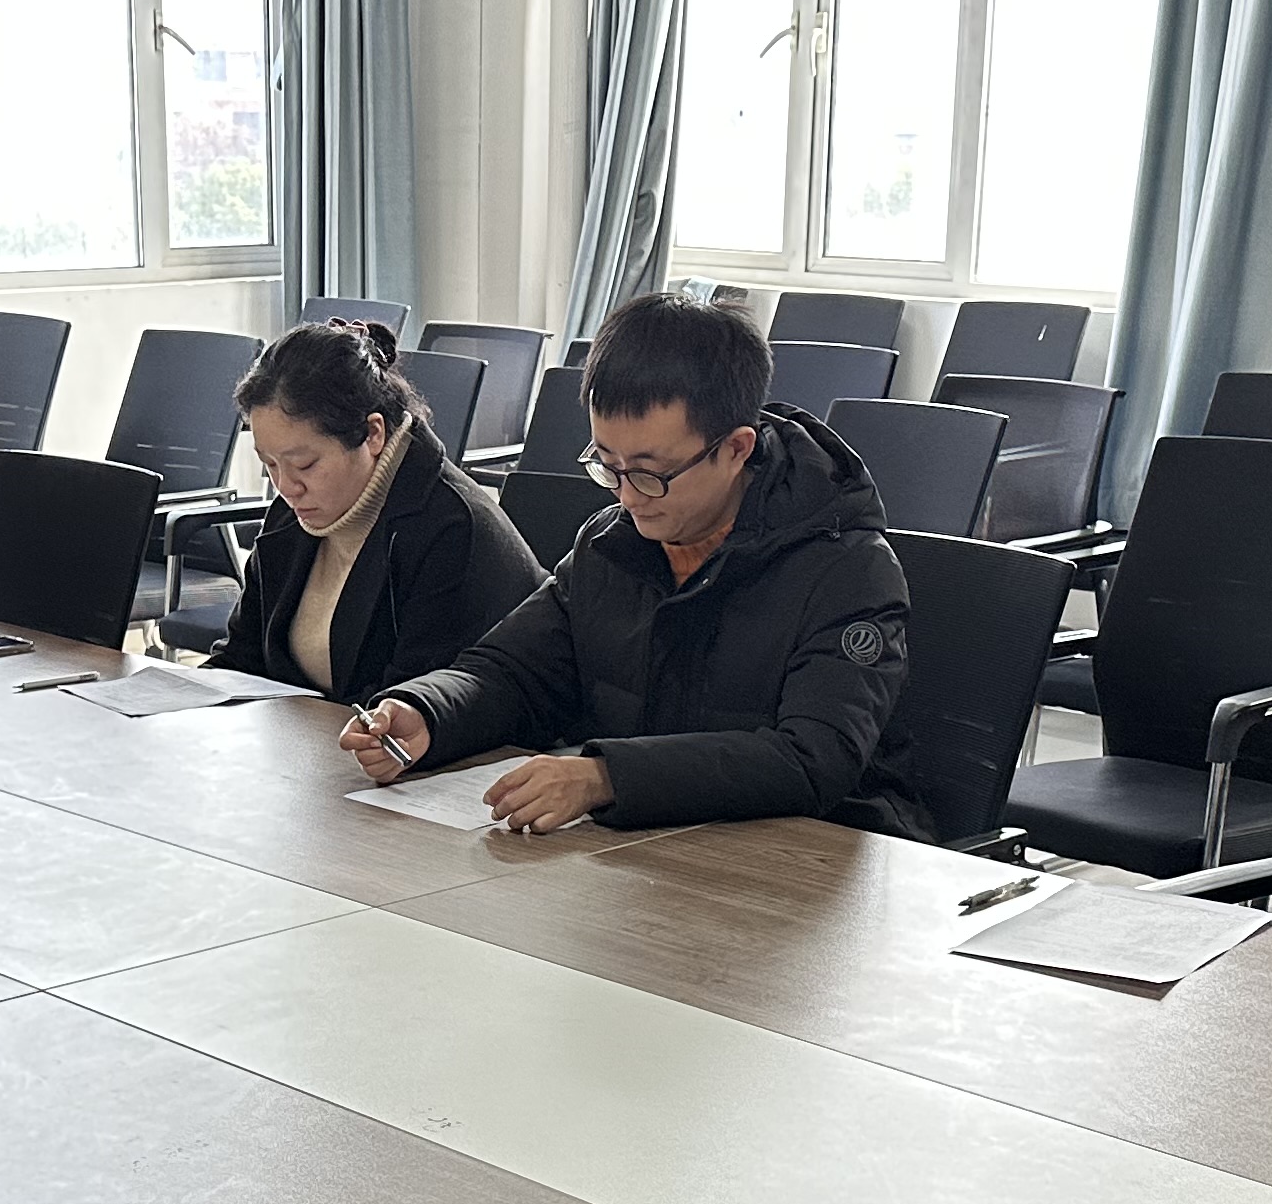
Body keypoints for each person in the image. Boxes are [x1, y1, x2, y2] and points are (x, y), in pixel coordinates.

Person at [337, 292, 923, 835]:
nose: (628, 495)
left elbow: (813, 759)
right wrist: (427, 712)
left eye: (650, 472)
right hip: (652, 848)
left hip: (808, 859)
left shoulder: (847, 571)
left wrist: (608, 777)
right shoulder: (613, 545)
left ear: (736, 448)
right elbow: (513, 672)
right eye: (608, 465)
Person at [207, 320, 539, 702]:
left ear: (373, 434)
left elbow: (410, 706)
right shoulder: (293, 512)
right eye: (269, 464)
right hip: (304, 732)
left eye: (305, 464)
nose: (285, 486)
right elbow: (241, 659)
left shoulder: (452, 530)